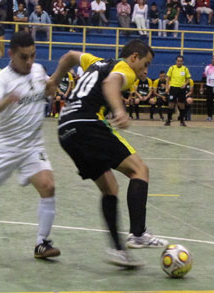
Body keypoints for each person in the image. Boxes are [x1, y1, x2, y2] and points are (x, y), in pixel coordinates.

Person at [46, 39, 168, 267]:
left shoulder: (96, 62)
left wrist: (54, 79)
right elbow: (111, 83)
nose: (145, 70)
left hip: (64, 129)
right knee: (139, 169)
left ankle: (118, 251)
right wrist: (119, 109)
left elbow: (70, 55)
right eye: (145, 63)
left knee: (109, 188)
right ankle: (138, 234)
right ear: (134, 57)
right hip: (87, 124)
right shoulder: (124, 69)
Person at [0, 32, 61, 258]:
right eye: (24, 57)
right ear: (11, 54)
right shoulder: (2, 79)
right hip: (3, 147)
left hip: (32, 146)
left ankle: (42, 244)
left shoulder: (39, 70)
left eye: (32, 55)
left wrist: (55, 84)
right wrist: (5, 101)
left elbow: (49, 89)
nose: (29, 61)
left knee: (48, 186)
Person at [165, 55, 191, 126]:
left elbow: (188, 78)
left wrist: (185, 84)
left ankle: (182, 120)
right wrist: (167, 88)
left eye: (181, 61)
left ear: (183, 62)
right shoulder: (172, 68)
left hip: (181, 89)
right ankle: (168, 120)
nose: (179, 62)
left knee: (181, 105)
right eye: (178, 61)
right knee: (171, 104)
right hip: (173, 88)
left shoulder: (185, 69)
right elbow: (167, 78)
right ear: (176, 61)